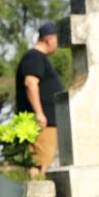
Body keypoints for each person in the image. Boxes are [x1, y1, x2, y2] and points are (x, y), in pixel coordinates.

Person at [15, 21, 64, 176]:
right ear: (49, 39)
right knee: (40, 164)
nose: (58, 44)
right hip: (42, 124)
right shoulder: (34, 57)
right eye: (57, 39)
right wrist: (39, 114)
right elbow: (30, 83)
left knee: (43, 163)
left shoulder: (38, 58)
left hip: (46, 123)